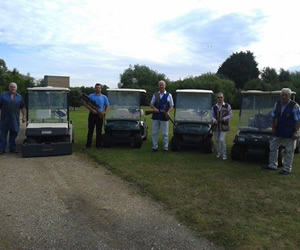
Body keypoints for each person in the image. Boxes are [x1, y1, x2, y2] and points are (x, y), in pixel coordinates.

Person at [267, 88, 300, 175]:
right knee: (273, 147)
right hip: (279, 130)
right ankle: (272, 165)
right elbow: (273, 117)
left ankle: (287, 169)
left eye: (285, 95)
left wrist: (296, 132)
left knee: (289, 151)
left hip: (290, 131)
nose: (283, 96)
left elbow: (298, 120)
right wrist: (273, 128)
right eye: (282, 95)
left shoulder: (295, 106)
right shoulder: (277, 104)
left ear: (289, 96)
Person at [0, 82, 26, 154]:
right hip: (4, 118)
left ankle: (12, 148)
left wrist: (23, 116)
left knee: (14, 133)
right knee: (3, 134)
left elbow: (23, 107)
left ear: (16, 88)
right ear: (8, 88)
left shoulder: (19, 97)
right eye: (11, 87)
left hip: (14, 118)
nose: (12, 88)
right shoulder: (3, 95)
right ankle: (1, 149)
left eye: (14, 87)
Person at [150, 80, 174, 152]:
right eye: (160, 85)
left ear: (165, 86)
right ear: (158, 86)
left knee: (165, 134)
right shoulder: (155, 95)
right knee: (154, 133)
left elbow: (171, 106)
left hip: (164, 116)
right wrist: (154, 108)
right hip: (156, 116)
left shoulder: (169, 95)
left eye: (162, 85)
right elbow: (151, 104)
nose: (161, 86)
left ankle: (165, 148)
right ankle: (154, 147)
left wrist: (168, 112)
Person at [84, 83, 110, 149]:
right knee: (90, 130)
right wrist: (92, 110)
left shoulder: (104, 97)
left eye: (99, 88)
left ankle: (98, 145)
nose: (98, 89)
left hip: (100, 115)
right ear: (94, 88)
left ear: (101, 89)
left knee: (99, 130)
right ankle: (88, 145)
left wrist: (104, 112)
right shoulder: (91, 96)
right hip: (92, 115)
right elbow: (86, 104)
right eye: (96, 88)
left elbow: (107, 106)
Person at [211, 92, 232, 160]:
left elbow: (230, 115)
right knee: (217, 140)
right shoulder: (214, 107)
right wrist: (214, 120)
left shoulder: (227, 106)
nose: (220, 99)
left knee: (222, 140)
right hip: (216, 126)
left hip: (223, 125)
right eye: (218, 97)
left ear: (223, 98)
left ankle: (224, 154)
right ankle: (219, 153)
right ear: (216, 98)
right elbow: (212, 116)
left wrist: (224, 119)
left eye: (221, 97)